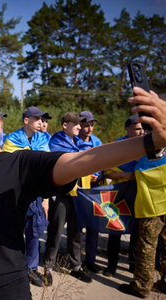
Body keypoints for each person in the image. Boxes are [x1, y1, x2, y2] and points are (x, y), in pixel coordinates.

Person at [0, 87, 166, 300]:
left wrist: (150, 142)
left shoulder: (20, 164)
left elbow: (79, 162)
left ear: (0, 122)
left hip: (3, 290)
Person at [2, 106, 52, 287]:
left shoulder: (43, 140)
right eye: (37, 118)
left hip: (37, 195)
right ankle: (13, 267)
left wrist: (46, 199)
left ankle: (31, 268)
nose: (41, 122)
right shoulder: (13, 139)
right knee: (14, 232)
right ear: (26, 120)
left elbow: (47, 170)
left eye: (42, 119)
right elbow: (9, 168)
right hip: (16, 194)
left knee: (34, 234)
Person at [42, 112, 93, 284]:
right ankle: (48, 266)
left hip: (79, 196)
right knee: (56, 231)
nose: (80, 127)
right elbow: (62, 166)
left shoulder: (78, 143)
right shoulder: (56, 142)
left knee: (76, 232)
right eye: (76, 124)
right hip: (62, 195)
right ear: (65, 125)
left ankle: (76, 266)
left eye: (81, 124)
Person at [119, 138, 166, 298]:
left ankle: (141, 286)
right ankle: (165, 283)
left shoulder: (143, 163)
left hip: (151, 209)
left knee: (147, 248)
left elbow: (132, 171)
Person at [102, 115, 144, 277]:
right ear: (127, 128)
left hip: (140, 194)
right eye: (137, 128)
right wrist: (126, 175)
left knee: (136, 230)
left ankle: (133, 264)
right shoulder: (117, 146)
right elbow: (107, 171)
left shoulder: (148, 146)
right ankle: (111, 265)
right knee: (115, 229)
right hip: (118, 194)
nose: (141, 132)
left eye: (142, 129)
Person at [73, 111, 104, 274]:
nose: (90, 128)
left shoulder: (97, 141)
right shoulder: (74, 141)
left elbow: (104, 162)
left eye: (92, 125)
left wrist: (97, 175)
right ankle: (75, 261)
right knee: (77, 226)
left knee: (94, 226)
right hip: (78, 191)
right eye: (86, 125)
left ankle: (90, 260)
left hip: (94, 190)